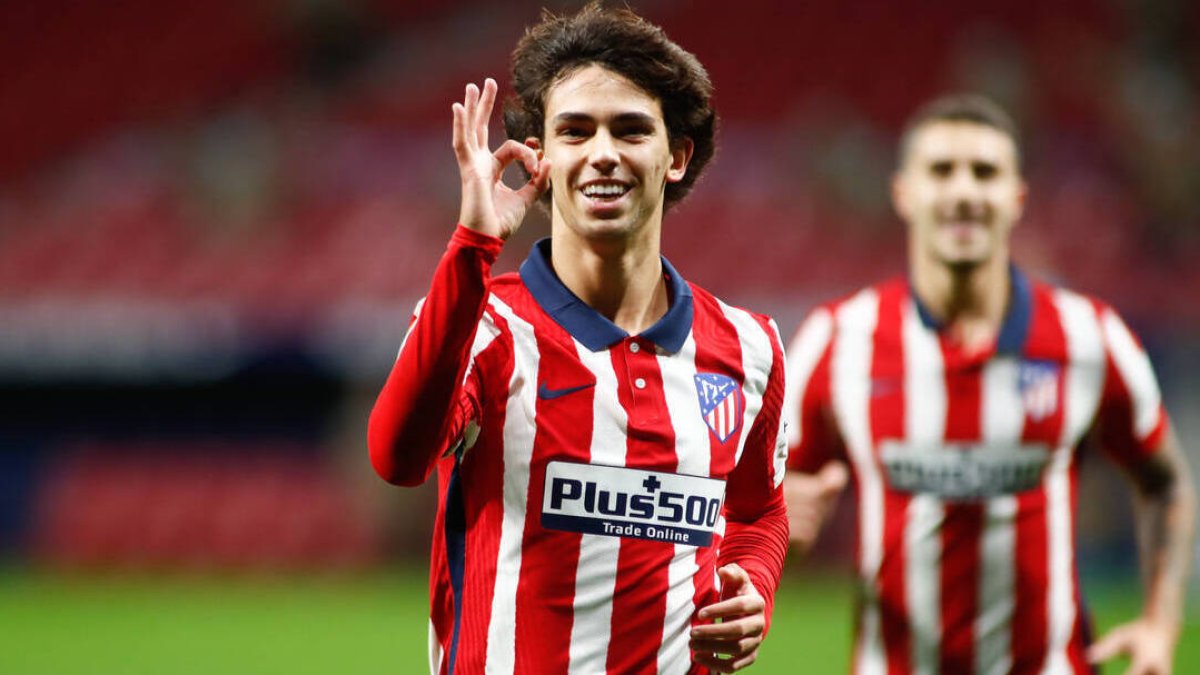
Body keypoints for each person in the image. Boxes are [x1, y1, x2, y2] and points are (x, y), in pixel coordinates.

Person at [368, 4, 789, 673]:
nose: (602, 153)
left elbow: (760, 509)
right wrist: (473, 247)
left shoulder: (750, 348)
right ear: (540, 156)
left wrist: (752, 584)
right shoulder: (484, 326)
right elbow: (397, 456)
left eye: (630, 130)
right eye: (575, 130)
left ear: (675, 155)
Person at [782, 94, 1196, 674]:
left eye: (985, 172)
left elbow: (1166, 483)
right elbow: (772, 516)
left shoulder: (1089, 337)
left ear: (1017, 197)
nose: (963, 192)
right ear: (903, 193)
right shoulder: (837, 340)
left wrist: (1161, 622)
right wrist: (783, 541)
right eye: (941, 171)